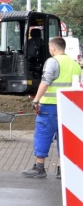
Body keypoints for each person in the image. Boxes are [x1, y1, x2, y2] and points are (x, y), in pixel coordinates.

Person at [22, 37, 81, 179]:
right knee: (65, 137)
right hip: (69, 107)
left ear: (53, 48)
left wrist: (36, 100)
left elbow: (45, 82)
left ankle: (39, 168)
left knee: (43, 134)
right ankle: (63, 170)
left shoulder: (53, 62)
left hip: (50, 107)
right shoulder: (75, 65)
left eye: (49, 48)